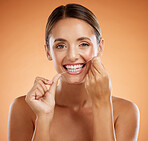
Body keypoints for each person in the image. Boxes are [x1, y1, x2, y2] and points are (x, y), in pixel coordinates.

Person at [8, 3, 140, 141]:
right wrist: (43, 117)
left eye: (83, 44)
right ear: (48, 52)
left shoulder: (125, 112)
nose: (72, 56)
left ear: (99, 47)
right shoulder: (24, 108)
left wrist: (102, 104)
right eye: (61, 46)